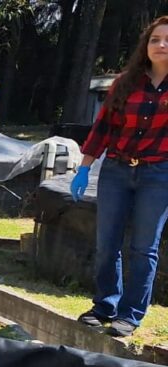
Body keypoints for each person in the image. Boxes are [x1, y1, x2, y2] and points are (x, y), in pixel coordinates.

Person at [70, 15, 168, 338]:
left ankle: (130, 314)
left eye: (167, 40)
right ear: (146, 45)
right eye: (155, 39)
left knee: (143, 247)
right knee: (107, 243)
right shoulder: (126, 82)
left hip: (159, 175)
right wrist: (84, 167)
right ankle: (104, 306)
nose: (161, 45)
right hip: (116, 170)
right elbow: (103, 128)